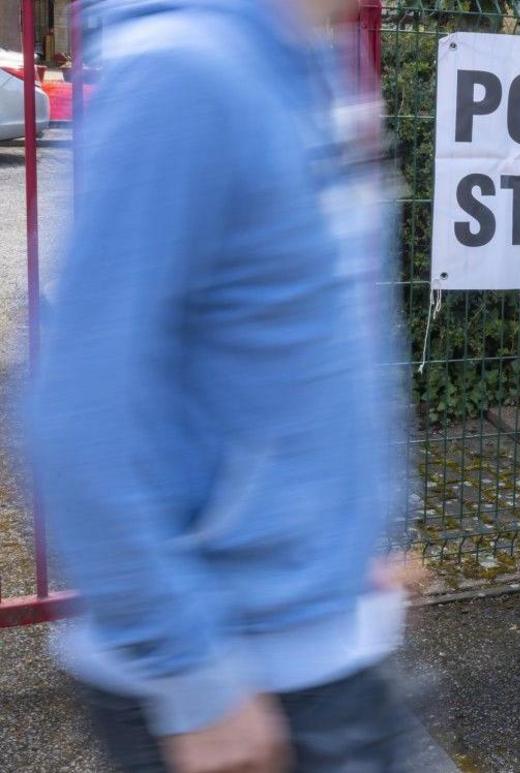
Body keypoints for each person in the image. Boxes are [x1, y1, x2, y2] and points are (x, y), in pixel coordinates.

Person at [23, 0, 418, 769]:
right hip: (229, 689)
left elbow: (295, 344)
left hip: (319, 640)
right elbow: (77, 409)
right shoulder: (181, 74)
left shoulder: (311, 63)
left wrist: (339, 540)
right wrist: (194, 681)